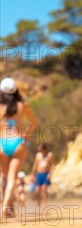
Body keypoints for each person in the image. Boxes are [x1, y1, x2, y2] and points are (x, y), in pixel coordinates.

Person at [0, 77, 37, 219]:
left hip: (1, 143)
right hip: (17, 142)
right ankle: (6, 209)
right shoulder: (23, 105)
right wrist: (26, 136)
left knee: (4, 176)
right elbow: (33, 123)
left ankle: (8, 208)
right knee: (12, 179)